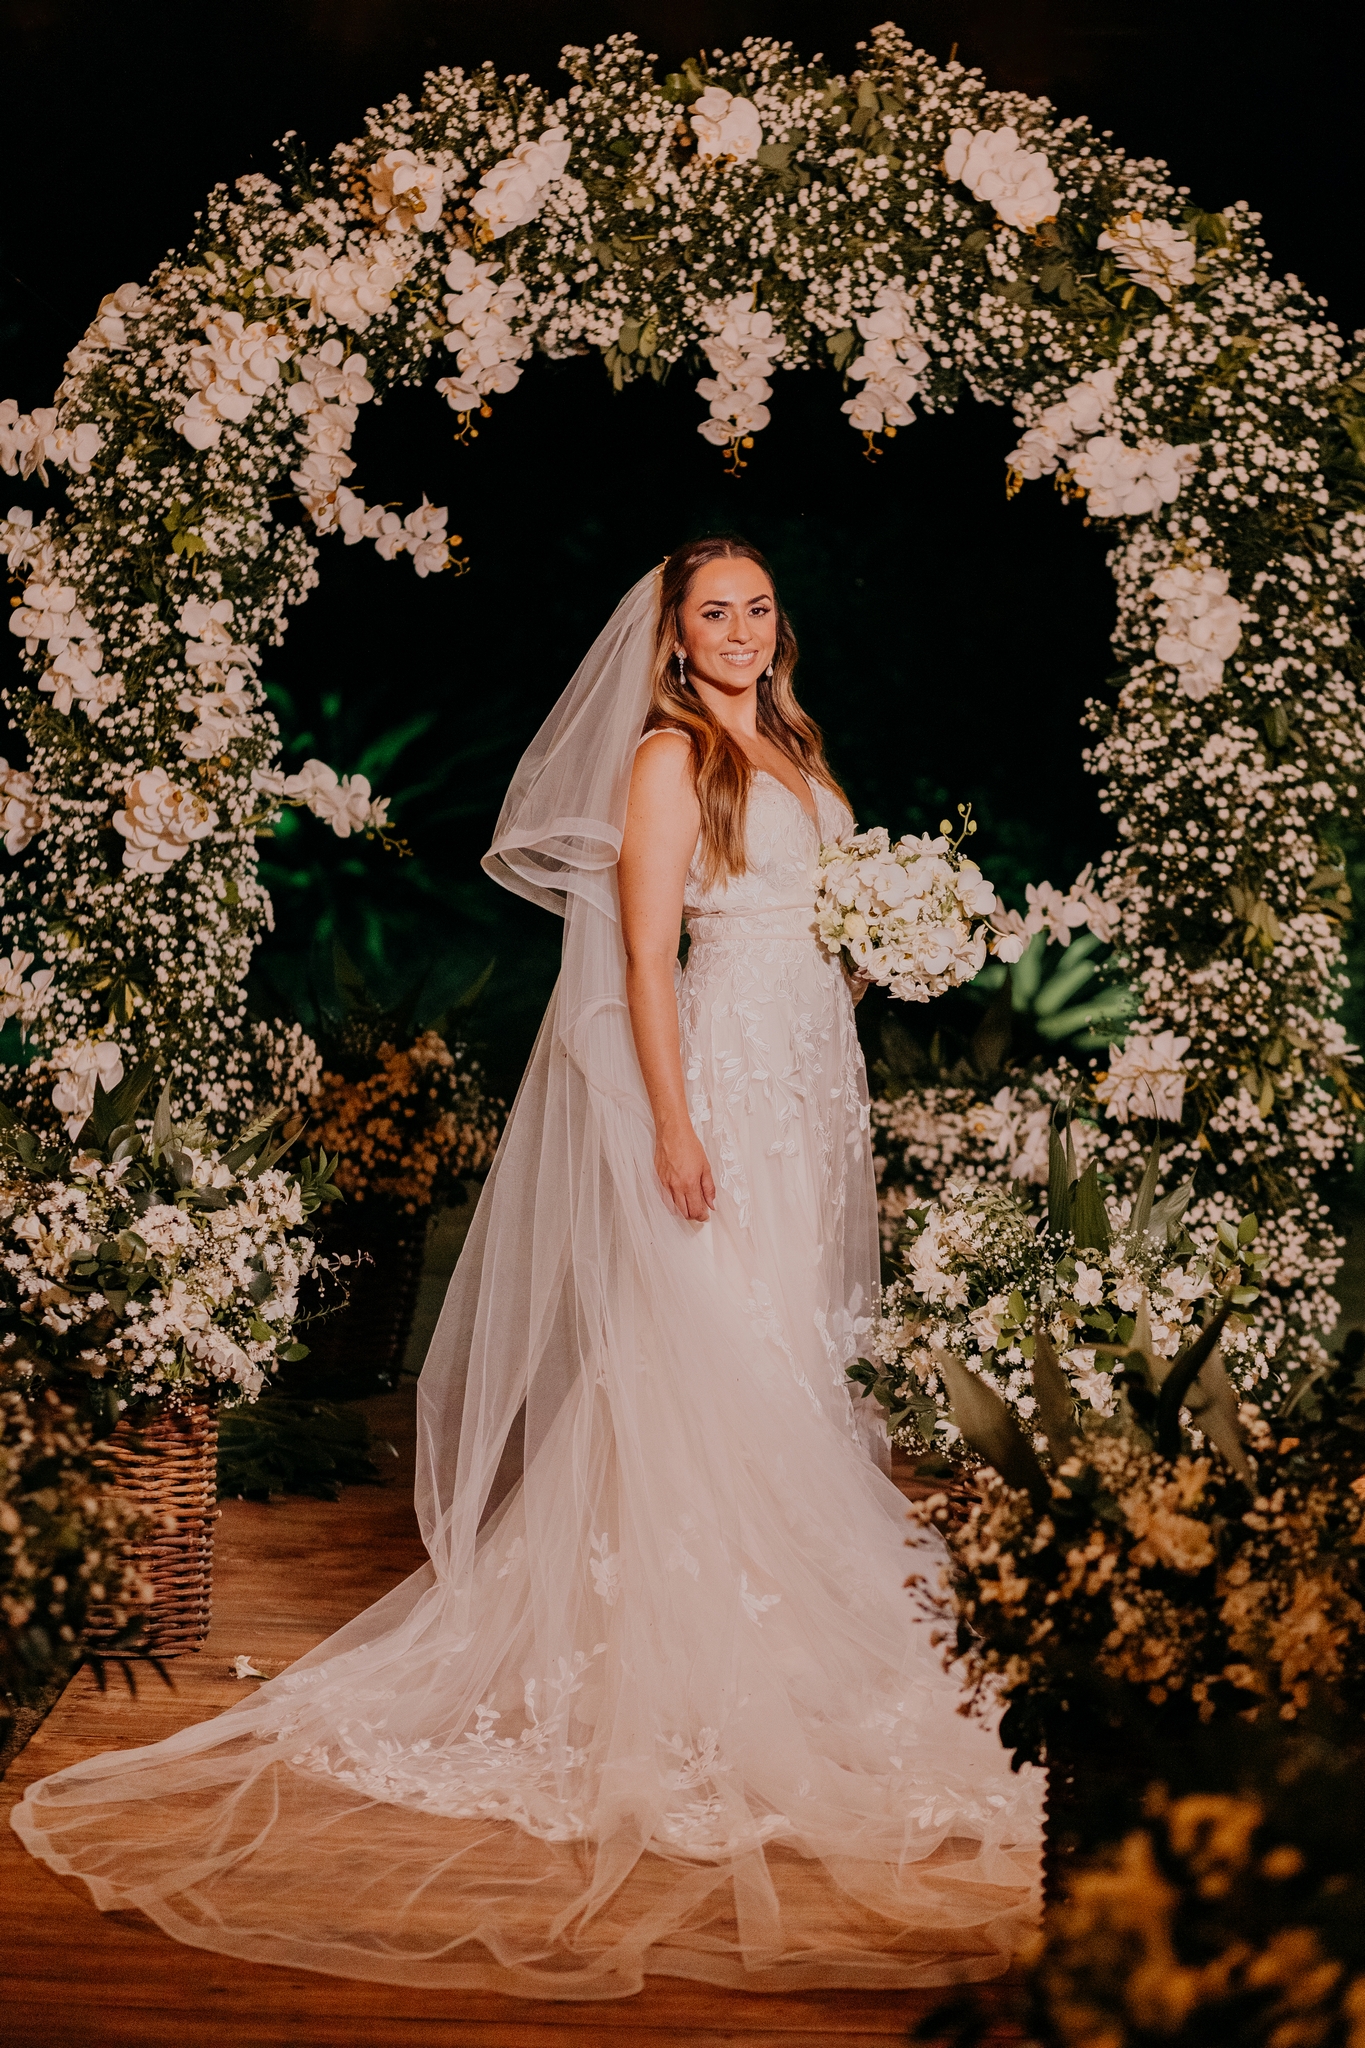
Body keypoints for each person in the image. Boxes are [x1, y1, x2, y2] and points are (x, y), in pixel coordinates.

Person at [12, 540, 1040, 1997]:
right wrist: (677, 1128)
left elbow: (818, 922)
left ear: (775, 628)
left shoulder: (797, 747)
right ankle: (690, 1661)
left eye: (756, 609)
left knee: (786, 1347)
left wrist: (886, 945)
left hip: (806, 1078)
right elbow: (638, 958)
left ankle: (770, 1641)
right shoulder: (668, 760)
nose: (740, 631)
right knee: (715, 1349)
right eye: (712, 614)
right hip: (721, 1087)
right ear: (673, 640)